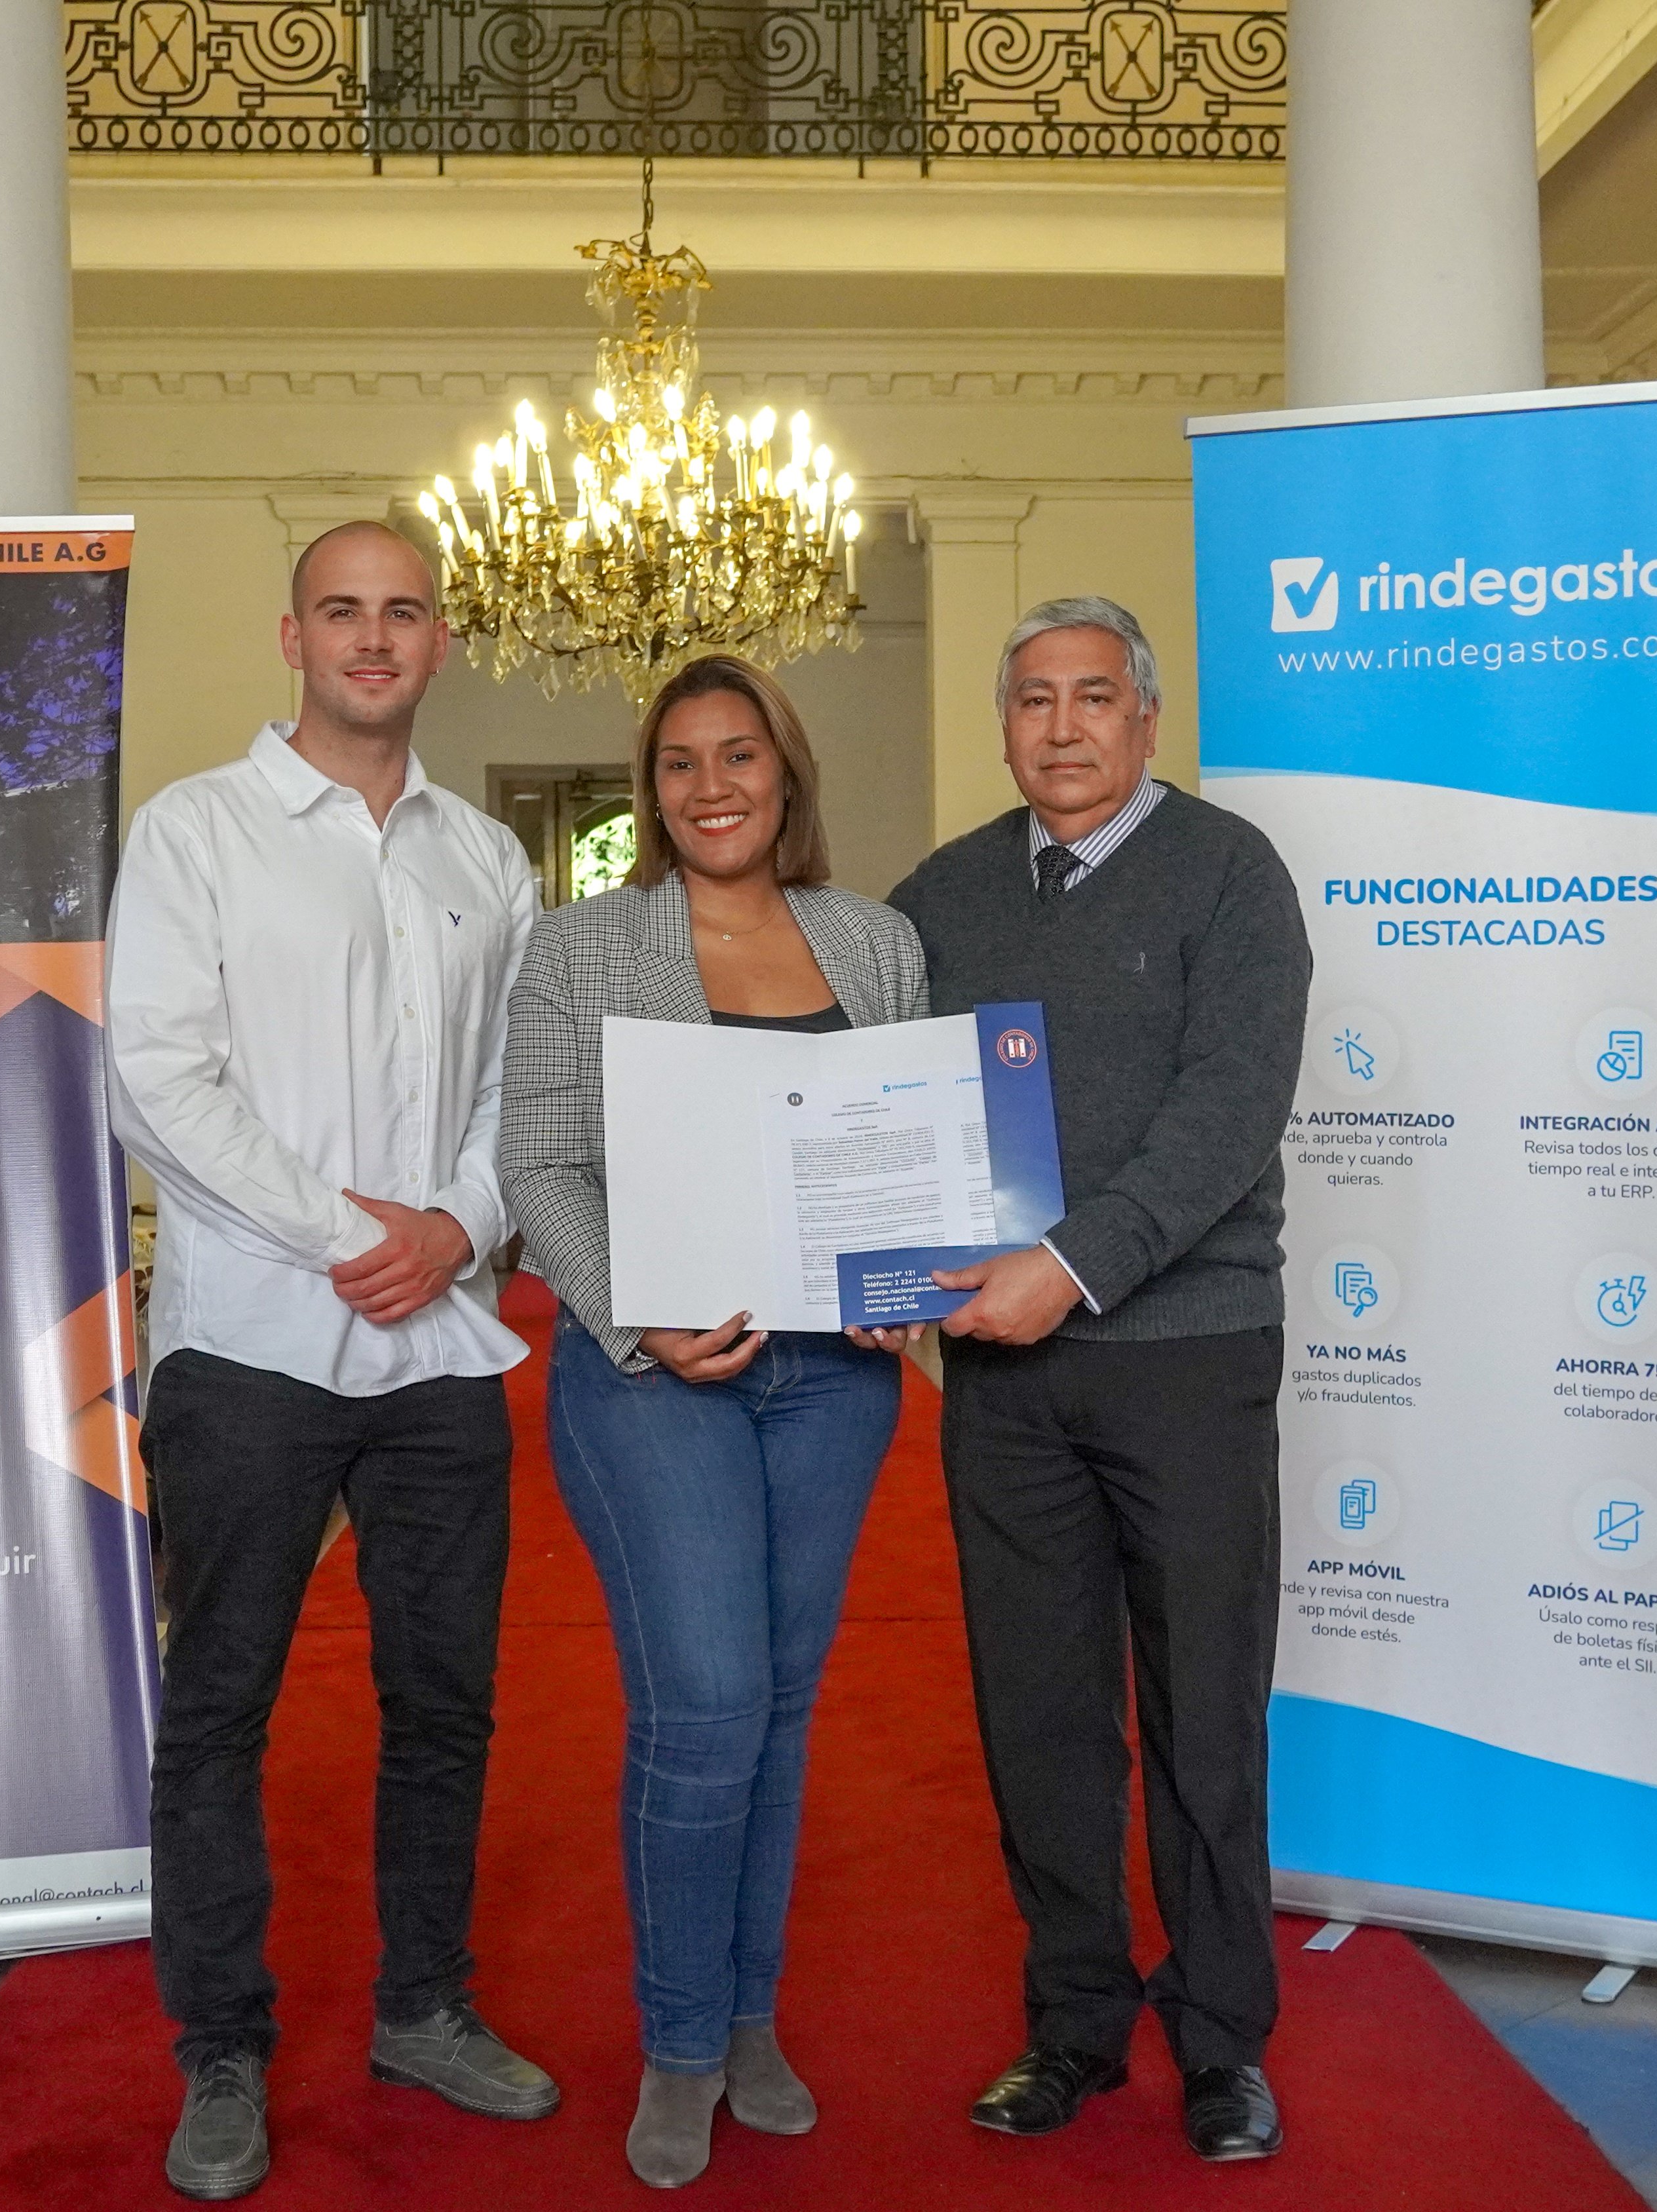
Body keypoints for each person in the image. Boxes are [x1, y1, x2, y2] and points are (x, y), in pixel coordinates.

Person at [105, 520, 556, 2202]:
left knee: (446, 1702)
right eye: (343, 611)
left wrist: (454, 1224)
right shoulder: (199, 832)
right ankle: (220, 2043)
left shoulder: (485, 861)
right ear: (290, 633)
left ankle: (424, 2005)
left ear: (441, 640)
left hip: (442, 1346)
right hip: (250, 1343)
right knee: (220, 1708)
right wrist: (347, 1229)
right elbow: (155, 1076)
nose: (375, 638)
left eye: (406, 612)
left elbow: (536, 1087)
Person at [884, 596, 1310, 2165]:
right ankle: (1071, 2022)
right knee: (1040, 1710)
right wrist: (876, 1264)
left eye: (1095, 698)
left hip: (1187, 1354)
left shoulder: (1231, 876)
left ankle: (1220, 2041)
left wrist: (1068, 1266)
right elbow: (882, 1104)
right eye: (1036, 701)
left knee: (1204, 1707)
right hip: (1002, 1377)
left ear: (1145, 719)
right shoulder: (945, 896)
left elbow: (1227, 1114)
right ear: (1004, 728)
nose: (1064, 727)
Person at [497, 655, 932, 2188]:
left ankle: (752, 2015)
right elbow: (537, 1161)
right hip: (650, 1373)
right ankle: (681, 2040)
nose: (710, 784)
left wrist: (908, 1283)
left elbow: (899, 1157)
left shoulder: (874, 942)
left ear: (783, 769)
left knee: (784, 1705)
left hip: (834, 1380)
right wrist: (638, 1310)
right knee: (701, 1706)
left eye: (736, 753)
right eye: (677, 761)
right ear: (652, 788)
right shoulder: (580, 944)